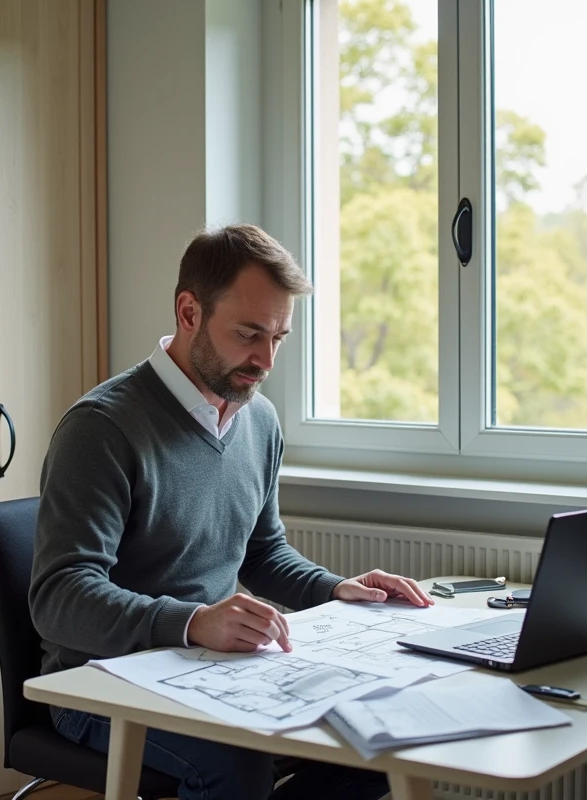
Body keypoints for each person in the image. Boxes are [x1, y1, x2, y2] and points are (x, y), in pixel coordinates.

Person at [30, 223, 433, 800]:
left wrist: (339, 588)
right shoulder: (102, 428)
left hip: (211, 669)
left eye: (279, 337)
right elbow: (59, 597)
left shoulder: (258, 419)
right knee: (236, 765)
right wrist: (194, 622)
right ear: (189, 312)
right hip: (100, 684)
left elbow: (263, 552)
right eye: (249, 333)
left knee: (373, 734)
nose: (265, 358)